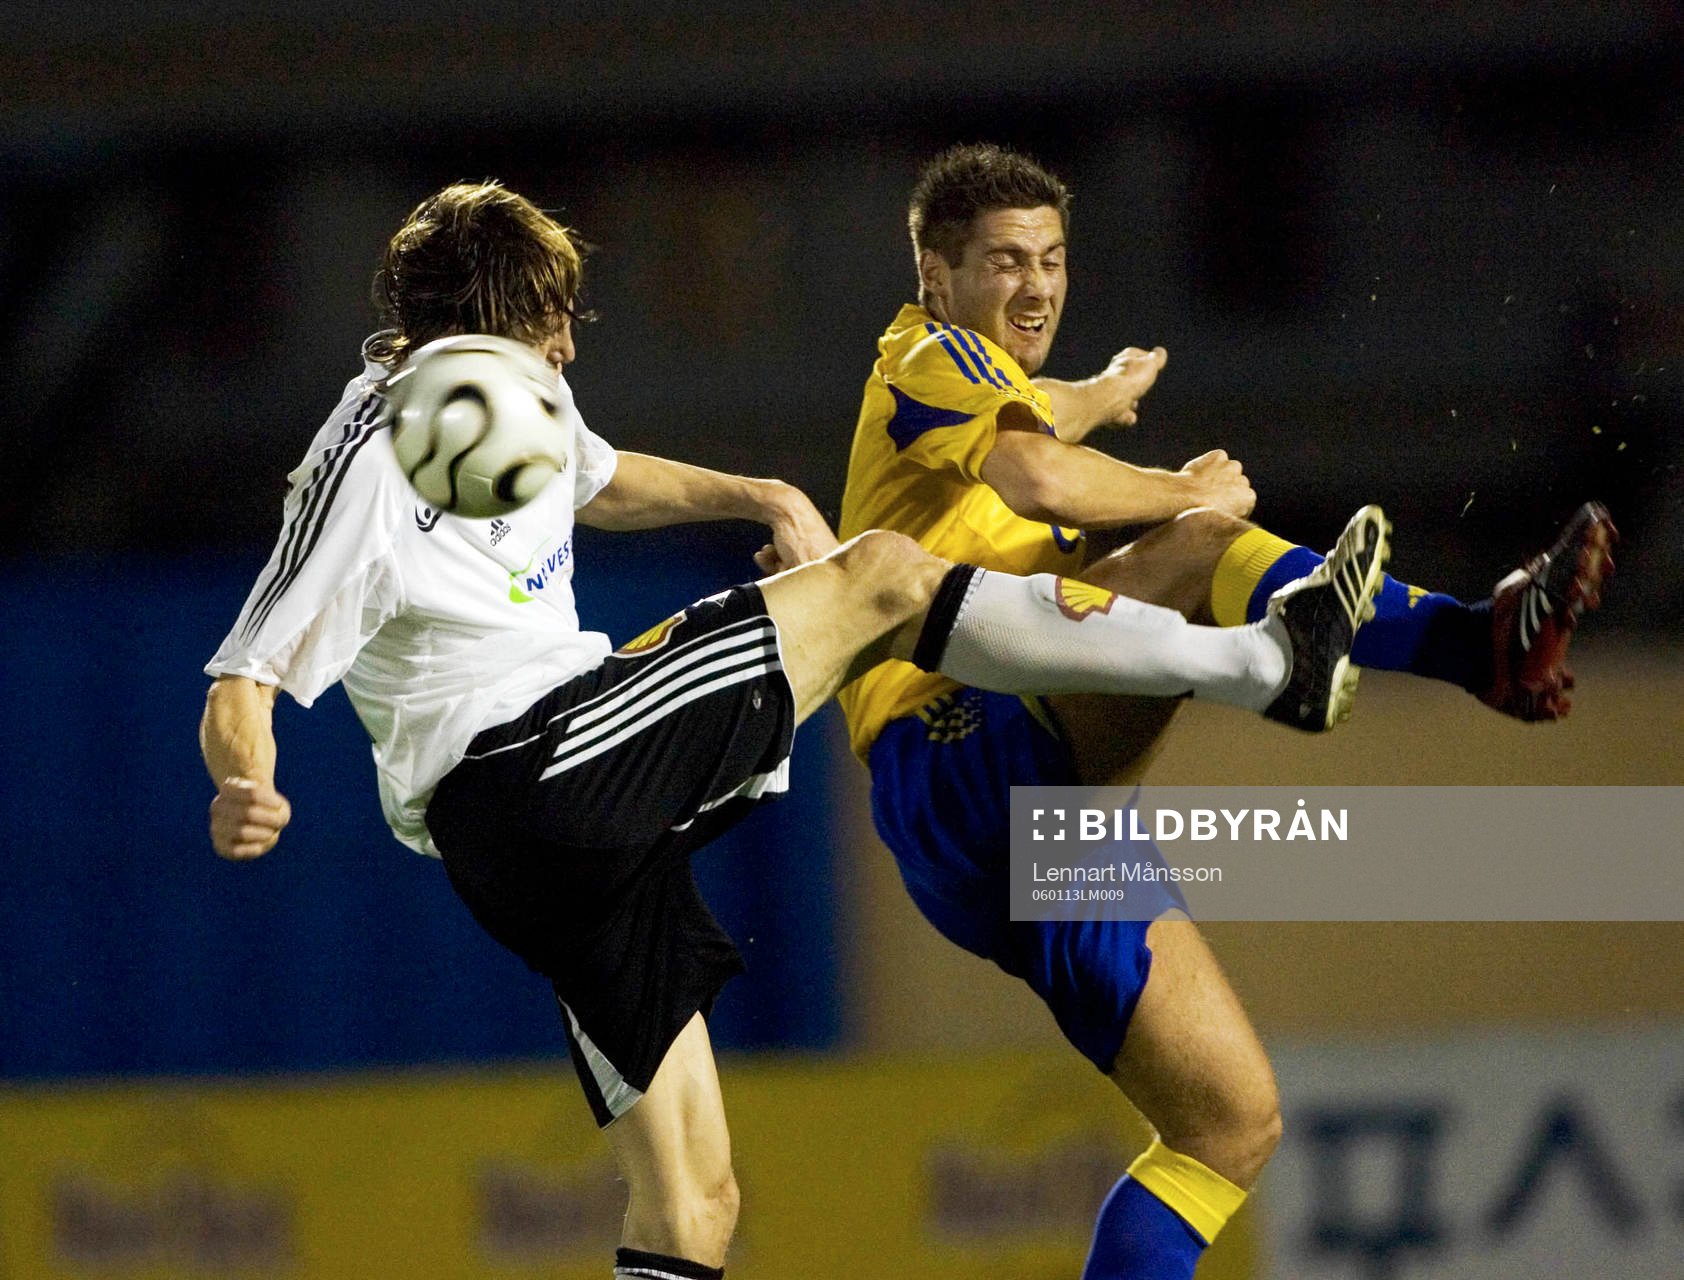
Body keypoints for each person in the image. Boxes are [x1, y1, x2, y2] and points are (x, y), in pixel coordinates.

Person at [199, 181, 1388, 1280]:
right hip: (548, 762)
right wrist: (245, 784)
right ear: (509, 313)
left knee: (692, 1205)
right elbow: (246, 673)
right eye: (556, 317)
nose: (568, 344)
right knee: (879, 576)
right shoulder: (396, 423)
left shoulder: (479, 413)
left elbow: (595, 480)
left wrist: (759, 494)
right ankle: (1261, 662)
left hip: (544, 852)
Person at [836, 143, 1617, 1280]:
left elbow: (1041, 443)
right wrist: (1183, 495)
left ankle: (1360, 654)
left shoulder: (989, 406)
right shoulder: (925, 353)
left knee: (1227, 1126)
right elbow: (1037, 476)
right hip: (954, 744)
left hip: (1018, 813)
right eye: (1005, 260)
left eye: (1052, 259)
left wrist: (1100, 403)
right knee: (1202, 541)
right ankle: (1468, 647)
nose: (1038, 286)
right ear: (933, 272)